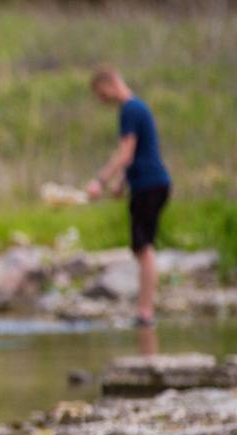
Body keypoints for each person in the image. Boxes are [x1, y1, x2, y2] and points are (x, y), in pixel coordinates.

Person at [87, 65, 171, 328]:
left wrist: (100, 181)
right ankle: (144, 309)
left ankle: (145, 312)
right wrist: (122, 182)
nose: (102, 101)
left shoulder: (130, 110)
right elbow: (142, 153)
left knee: (143, 248)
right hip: (150, 182)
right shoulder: (138, 108)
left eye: (101, 94)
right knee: (142, 247)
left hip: (149, 185)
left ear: (111, 84)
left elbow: (126, 153)